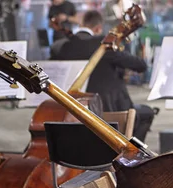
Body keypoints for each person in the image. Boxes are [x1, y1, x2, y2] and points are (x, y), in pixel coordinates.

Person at [51, 10, 155, 142]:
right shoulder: (103, 44)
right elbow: (140, 65)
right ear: (98, 28)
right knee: (147, 113)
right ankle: (132, 155)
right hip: (107, 109)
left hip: (73, 110)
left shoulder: (64, 46)